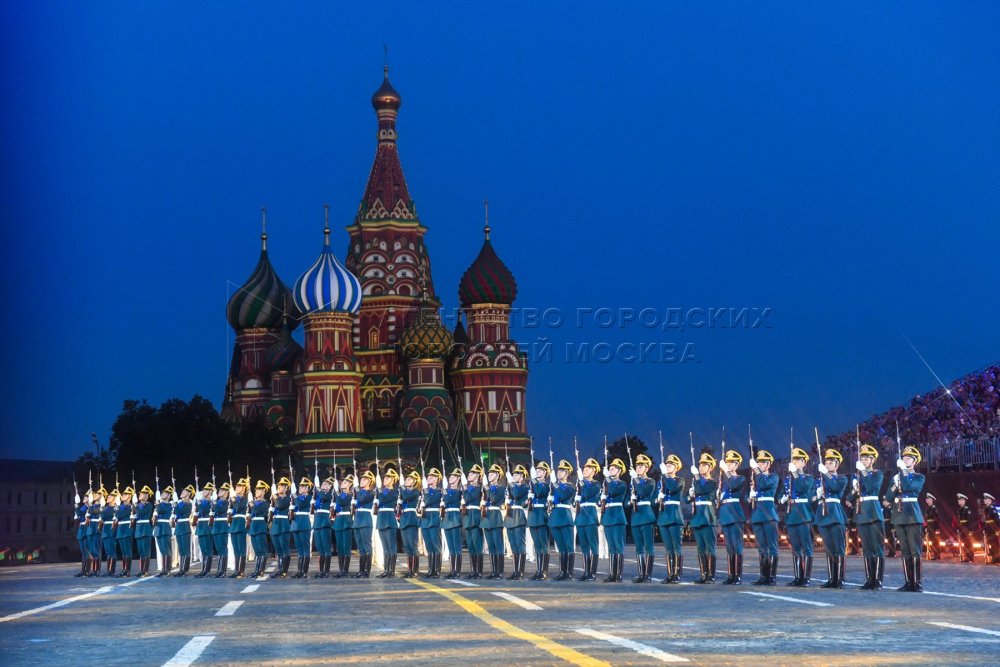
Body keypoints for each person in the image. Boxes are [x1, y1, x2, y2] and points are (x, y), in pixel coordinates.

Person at [885, 445, 926, 592]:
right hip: (899, 515)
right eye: (903, 458)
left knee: (915, 550)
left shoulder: (918, 477)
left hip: (912, 515)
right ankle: (908, 582)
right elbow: (888, 497)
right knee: (905, 550)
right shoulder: (897, 477)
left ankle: (917, 583)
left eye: (908, 458)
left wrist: (902, 472)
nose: (905, 460)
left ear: (914, 462)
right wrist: (895, 485)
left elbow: (908, 487)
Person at [782, 447, 816, 587]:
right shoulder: (788, 479)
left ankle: (806, 578)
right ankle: (798, 577)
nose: (795, 462)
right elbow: (784, 492)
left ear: (804, 463)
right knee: (795, 548)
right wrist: (782, 498)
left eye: (798, 460)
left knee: (806, 547)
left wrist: (795, 473)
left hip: (803, 514)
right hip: (792, 515)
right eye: (793, 460)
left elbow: (802, 488)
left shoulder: (809, 478)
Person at [815, 448, 848, 589]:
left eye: (831, 463)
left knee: (838, 548)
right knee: (829, 549)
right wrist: (816, 494)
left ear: (837, 465)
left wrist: (825, 475)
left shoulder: (842, 478)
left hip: (835, 514)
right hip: (823, 515)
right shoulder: (820, 480)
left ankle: (839, 579)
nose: (828, 465)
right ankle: (831, 579)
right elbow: (812, 495)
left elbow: (835, 488)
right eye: (826, 463)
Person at [853, 444, 885, 589]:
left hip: (873, 512)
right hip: (862, 513)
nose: (864, 461)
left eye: (867, 459)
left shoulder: (877, 474)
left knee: (877, 547)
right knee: (866, 548)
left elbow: (872, 487)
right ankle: (869, 579)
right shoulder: (859, 475)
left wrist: (864, 472)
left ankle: (877, 579)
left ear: (873, 460)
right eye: (862, 458)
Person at [689, 452, 719, 584]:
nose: (701, 468)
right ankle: (703, 574)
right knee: (700, 548)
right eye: (700, 465)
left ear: (710, 468)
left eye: (704, 465)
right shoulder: (697, 483)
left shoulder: (712, 482)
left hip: (707, 518)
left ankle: (711, 575)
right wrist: (690, 495)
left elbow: (702, 489)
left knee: (710, 548)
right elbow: (687, 498)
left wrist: (696, 477)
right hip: (697, 518)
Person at [718, 450, 747, 585]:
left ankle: (737, 576)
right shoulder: (724, 480)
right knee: (729, 546)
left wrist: (725, 471)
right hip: (725, 513)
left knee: (737, 545)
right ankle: (731, 575)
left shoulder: (740, 478)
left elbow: (733, 485)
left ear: (737, 465)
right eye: (727, 462)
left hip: (735, 514)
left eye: (731, 463)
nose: (728, 465)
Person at [656, 454, 685, 584]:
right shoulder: (661, 481)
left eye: (670, 465)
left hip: (674, 515)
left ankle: (677, 574)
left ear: (676, 468)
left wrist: (665, 476)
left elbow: (673, 487)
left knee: (676, 547)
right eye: (666, 465)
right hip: (663, 516)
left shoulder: (679, 480)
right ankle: (670, 574)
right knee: (668, 548)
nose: (668, 467)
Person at [630, 453, 657, 583]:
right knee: (639, 547)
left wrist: (636, 479)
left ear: (647, 468)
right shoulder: (633, 483)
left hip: (646, 516)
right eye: (637, 466)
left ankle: (648, 575)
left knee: (648, 546)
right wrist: (630, 501)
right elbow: (626, 502)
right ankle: (641, 574)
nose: (638, 468)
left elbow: (642, 492)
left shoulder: (650, 481)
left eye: (641, 466)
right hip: (636, 517)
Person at [549, 459, 577, 581]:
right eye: (558, 470)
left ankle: (569, 573)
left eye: (562, 471)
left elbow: (564, 495)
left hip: (565, 517)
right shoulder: (553, 486)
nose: (559, 473)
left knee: (569, 546)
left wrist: (555, 484)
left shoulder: (570, 486)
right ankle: (562, 572)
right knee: (561, 547)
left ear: (567, 473)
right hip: (555, 517)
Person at [575, 458, 602, 582]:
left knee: (593, 545)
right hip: (581, 518)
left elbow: (587, 493)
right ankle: (586, 572)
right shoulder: (579, 484)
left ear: (594, 471)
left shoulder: (596, 484)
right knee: (584, 546)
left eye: (588, 469)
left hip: (590, 517)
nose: (585, 470)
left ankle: (593, 573)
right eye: (584, 468)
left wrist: (582, 482)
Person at [602, 457, 628, 583]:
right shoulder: (607, 484)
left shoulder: (621, 484)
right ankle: (612, 573)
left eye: (613, 469)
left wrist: (608, 479)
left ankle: (618, 574)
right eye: (610, 468)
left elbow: (612, 492)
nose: (610, 470)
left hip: (617, 516)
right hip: (608, 517)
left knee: (618, 546)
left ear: (619, 471)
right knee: (611, 547)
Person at [482, 463, 507, 580]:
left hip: (496, 517)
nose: (489, 475)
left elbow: (493, 498)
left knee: (498, 545)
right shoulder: (486, 489)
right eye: (488, 474)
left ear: (497, 476)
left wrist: (486, 488)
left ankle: (500, 571)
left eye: (492, 474)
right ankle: (493, 571)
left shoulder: (501, 488)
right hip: (487, 517)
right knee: (491, 546)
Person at [505, 464, 530, 580]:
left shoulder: (524, 487)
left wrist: (511, 483)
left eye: (516, 474)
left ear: (522, 477)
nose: (514, 476)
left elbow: (516, 494)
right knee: (513, 546)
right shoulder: (512, 487)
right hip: (510, 518)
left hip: (518, 517)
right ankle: (515, 571)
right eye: (513, 474)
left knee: (520, 545)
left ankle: (520, 571)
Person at [527, 461, 551, 580]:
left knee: (543, 545)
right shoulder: (533, 485)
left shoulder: (546, 486)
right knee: (537, 545)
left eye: (540, 470)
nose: (537, 472)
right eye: (536, 470)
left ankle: (544, 571)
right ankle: (538, 570)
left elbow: (540, 492)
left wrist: (534, 481)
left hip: (542, 517)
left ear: (545, 472)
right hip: (533, 517)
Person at [375, 467, 400, 579]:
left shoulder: (395, 492)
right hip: (381, 518)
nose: (385, 479)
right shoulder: (380, 491)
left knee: (391, 547)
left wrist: (379, 492)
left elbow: (384, 499)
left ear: (393, 480)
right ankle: (386, 570)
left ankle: (391, 570)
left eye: (388, 478)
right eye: (385, 477)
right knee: (385, 547)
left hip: (389, 519)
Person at [463, 464, 486, 580]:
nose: (469, 475)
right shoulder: (468, 488)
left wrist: (465, 488)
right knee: (471, 547)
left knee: (477, 546)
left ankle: (479, 571)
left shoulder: (478, 489)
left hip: (475, 518)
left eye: (472, 473)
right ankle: (473, 570)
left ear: (477, 476)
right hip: (467, 518)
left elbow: (468, 498)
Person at [420, 468, 444, 578]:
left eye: (431, 477)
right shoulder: (424, 491)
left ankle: (437, 570)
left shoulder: (439, 492)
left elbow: (428, 501)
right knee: (429, 546)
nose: (428, 478)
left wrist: (425, 491)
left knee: (436, 545)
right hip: (425, 519)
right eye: (428, 477)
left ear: (436, 479)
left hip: (434, 518)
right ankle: (431, 569)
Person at [352, 471, 376, 578]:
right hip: (357, 520)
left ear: (370, 481)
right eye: (361, 479)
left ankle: (367, 570)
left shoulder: (371, 493)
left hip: (366, 521)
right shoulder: (359, 492)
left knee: (367, 546)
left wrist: (356, 488)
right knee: (360, 547)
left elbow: (361, 499)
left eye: (365, 479)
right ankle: (361, 570)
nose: (362, 480)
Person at [399, 471, 422, 578]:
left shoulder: (415, 491)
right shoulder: (403, 491)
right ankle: (410, 569)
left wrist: (402, 487)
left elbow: (406, 496)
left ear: (414, 482)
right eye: (406, 479)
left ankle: (415, 570)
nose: (406, 481)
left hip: (411, 519)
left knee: (413, 546)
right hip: (404, 519)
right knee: (407, 547)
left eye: (409, 479)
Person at [442, 468, 465, 578]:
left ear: (458, 479)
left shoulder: (458, 492)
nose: (450, 478)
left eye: (453, 476)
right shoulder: (446, 491)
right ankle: (452, 569)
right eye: (450, 476)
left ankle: (457, 570)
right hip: (447, 518)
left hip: (455, 518)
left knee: (456, 546)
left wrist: (446, 492)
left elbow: (448, 500)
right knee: (451, 546)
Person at [290, 477, 314, 579]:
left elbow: (299, 503)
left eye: (303, 487)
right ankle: (299, 570)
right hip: (296, 524)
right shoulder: (297, 497)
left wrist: (294, 495)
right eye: (300, 487)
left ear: (308, 488)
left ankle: (304, 571)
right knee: (299, 549)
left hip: (304, 524)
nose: (301, 488)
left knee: (305, 548)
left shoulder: (308, 497)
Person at [269, 477, 293, 578]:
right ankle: (280, 569)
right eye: (278, 486)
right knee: (278, 550)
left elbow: (280, 505)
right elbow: (272, 512)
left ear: (286, 488)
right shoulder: (275, 499)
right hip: (275, 525)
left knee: (285, 549)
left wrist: (274, 497)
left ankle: (284, 570)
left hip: (283, 525)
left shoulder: (288, 499)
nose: (279, 487)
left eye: (282, 486)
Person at [312, 476, 334, 579]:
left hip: (324, 522)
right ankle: (321, 570)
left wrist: (317, 488)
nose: (322, 485)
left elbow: (323, 497)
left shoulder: (329, 494)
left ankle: (326, 571)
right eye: (322, 484)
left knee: (326, 548)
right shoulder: (319, 495)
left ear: (330, 487)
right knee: (320, 548)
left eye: (325, 484)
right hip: (317, 522)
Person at [333, 475, 355, 577]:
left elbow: (341, 501)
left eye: (346, 482)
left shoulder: (350, 495)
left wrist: (337, 491)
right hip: (338, 521)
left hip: (346, 521)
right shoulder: (340, 495)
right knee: (340, 547)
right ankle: (341, 569)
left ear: (350, 485)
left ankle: (345, 570)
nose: (343, 483)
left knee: (346, 546)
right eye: (343, 482)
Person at [248, 480, 271, 578]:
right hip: (253, 527)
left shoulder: (265, 503)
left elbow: (256, 511)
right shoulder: (253, 502)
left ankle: (261, 570)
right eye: (256, 490)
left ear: (263, 491)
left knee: (262, 550)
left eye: (258, 490)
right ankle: (256, 569)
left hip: (261, 527)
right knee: (257, 551)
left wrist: (252, 504)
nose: (256, 491)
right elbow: (250, 514)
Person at [229, 477, 250, 578]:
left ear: (243, 488)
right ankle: (236, 570)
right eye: (236, 486)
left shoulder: (245, 499)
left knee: (241, 549)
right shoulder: (234, 499)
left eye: (239, 486)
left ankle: (241, 571)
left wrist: (233, 499)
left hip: (241, 524)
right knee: (236, 550)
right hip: (233, 525)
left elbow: (237, 507)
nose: (236, 487)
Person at [193, 482, 215, 578]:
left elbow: (202, 510)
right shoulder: (201, 501)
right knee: (203, 550)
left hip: (207, 526)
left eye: (206, 490)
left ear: (210, 491)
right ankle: (204, 569)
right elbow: (197, 512)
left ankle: (207, 570)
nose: (203, 491)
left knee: (208, 549)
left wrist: (198, 501)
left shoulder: (210, 502)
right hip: (201, 526)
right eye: (203, 489)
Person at [172, 485, 194, 576]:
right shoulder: (180, 503)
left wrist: (175, 503)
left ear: (189, 494)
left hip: (185, 527)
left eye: (184, 492)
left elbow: (178, 511)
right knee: (181, 550)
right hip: (179, 527)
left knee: (186, 549)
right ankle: (181, 569)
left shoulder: (188, 504)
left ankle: (185, 569)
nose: (182, 493)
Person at [212, 482, 232, 578]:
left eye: (222, 490)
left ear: (226, 492)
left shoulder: (227, 503)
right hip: (216, 526)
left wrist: (214, 502)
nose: (220, 491)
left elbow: (218, 510)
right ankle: (219, 570)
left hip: (222, 526)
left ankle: (223, 571)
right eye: (220, 490)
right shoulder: (217, 502)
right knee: (219, 549)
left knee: (223, 549)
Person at [114, 486, 136, 577]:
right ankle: (124, 569)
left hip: (127, 529)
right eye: (123, 494)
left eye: (125, 494)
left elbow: (120, 515)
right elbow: (118, 515)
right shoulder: (121, 506)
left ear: (130, 496)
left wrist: (118, 513)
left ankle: (128, 571)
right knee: (123, 551)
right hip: (120, 529)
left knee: (127, 551)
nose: (123, 495)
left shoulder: (131, 506)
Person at [153, 486, 174, 577]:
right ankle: (163, 569)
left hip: (165, 528)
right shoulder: (159, 504)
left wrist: (157, 504)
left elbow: (161, 510)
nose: (162, 494)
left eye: (165, 493)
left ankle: (167, 569)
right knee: (162, 550)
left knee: (167, 550)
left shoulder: (169, 505)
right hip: (158, 528)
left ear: (169, 496)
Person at [101, 488, 119, 577]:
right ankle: (108, 570)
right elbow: (102, 517)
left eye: (110, 496)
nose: (108, 497)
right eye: (108, 496)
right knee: (108, 551)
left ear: (115, 498)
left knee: (112, 551)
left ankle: (112, 571)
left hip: (111, 529)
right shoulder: (106, 508)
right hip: (105, 530)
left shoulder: (115, 508)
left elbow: (105, 516)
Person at [86, 488, 104, 577]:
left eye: (97, 494)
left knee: (97, 551)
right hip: (91, 529)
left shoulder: (102, 506)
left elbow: (93, 511)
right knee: (91, 551)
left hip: (97, 529)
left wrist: (90, 504)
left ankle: (97, 570)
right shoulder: (92, 506)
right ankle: (93, 570)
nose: (94, 495)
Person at [955, 493, 975, 562]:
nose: (959, 501)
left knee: (969, 543)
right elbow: (959, 520)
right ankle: (967, 557)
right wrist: (958, 528)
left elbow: (970, 520)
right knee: (965, 543)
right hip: (962, 528)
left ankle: (970, 557)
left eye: (960, 500)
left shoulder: (967, 509)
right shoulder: (959, 510)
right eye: (958, 500)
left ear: (964, 501)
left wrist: (970, 530)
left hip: (967, 528)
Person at [75, 492, 91, 577]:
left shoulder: (87, 507)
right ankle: (83, 570)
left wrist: (77, 505)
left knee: (86, 551)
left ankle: (87, 571)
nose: (84, 498)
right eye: (84, 496)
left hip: (85, 529)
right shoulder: (84, 507)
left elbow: (80, 513)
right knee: (83, 552)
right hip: (81, 529)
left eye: (86, 497)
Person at [923, 493, 941, 561]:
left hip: (934, 526)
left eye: (927, 498)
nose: (926, 500)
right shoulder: (927, 508)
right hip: (929, 525)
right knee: (932, 541)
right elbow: (926, 519)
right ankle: (935, 554)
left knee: (935, 541)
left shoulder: (934, 508)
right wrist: (926, 527)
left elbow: (938, 519)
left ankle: (937, 555)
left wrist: (937, 528)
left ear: (931, 499)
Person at [983, 493, 1000, 564]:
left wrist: (997, 530)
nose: (985, 500)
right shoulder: (986, 509)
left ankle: (998, 559)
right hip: (988, 529)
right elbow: (986, 521)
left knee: (995, 544)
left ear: (990, 501)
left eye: (986, 499)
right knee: (991, 544)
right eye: (985, 499)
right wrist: (984, 529)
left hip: (993, 529)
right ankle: (994, 558)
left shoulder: (993, 509)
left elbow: (997, 520)